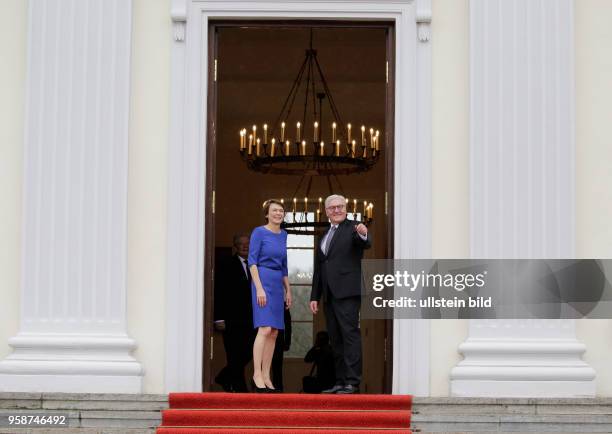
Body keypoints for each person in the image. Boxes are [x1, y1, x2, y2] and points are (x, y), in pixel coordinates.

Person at [310, 194, 371, 394]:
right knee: (335, 339)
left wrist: (363, 233)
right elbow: (320, 267)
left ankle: (352, 382)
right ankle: (340, 381)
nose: (337, 210)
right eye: (333, 208)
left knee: (350, 336)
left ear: (346, 208)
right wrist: (314, 296)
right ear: (326, 211)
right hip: (329, 294)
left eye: (341, 206)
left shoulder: (354, 227)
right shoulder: (325, 234)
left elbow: (364, 241)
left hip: (347, 292)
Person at [249, 199, 292, 392]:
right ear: (267, 214)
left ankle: (266, 374)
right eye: (274, 210)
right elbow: (252, 262)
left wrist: (288, 290)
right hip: (262, 280)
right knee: (264, 329)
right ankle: (256, 373)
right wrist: (258, 288)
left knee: (274, 332)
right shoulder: (259, 232)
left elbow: (284, 266)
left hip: (277, 283)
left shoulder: (283, 235)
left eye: (281, 211)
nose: (278, 213)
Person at [213, 233, 255, 392]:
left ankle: (224, 377)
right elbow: (219, 291)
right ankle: (240, 389)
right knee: (233, 354)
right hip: (230, 319)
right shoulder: (226, 264)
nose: (245, 246)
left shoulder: (256, 265)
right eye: (241, 244)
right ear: (235, 247)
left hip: (251, 320)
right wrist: (218, 318)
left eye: (247, 243)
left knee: (249, 352)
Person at [271, 306, 292, 392]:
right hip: (263, 339)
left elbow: (287, 324)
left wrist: (287, 341)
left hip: (278, 340)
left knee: (277, 366)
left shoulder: (282, 305)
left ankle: (278, 390)